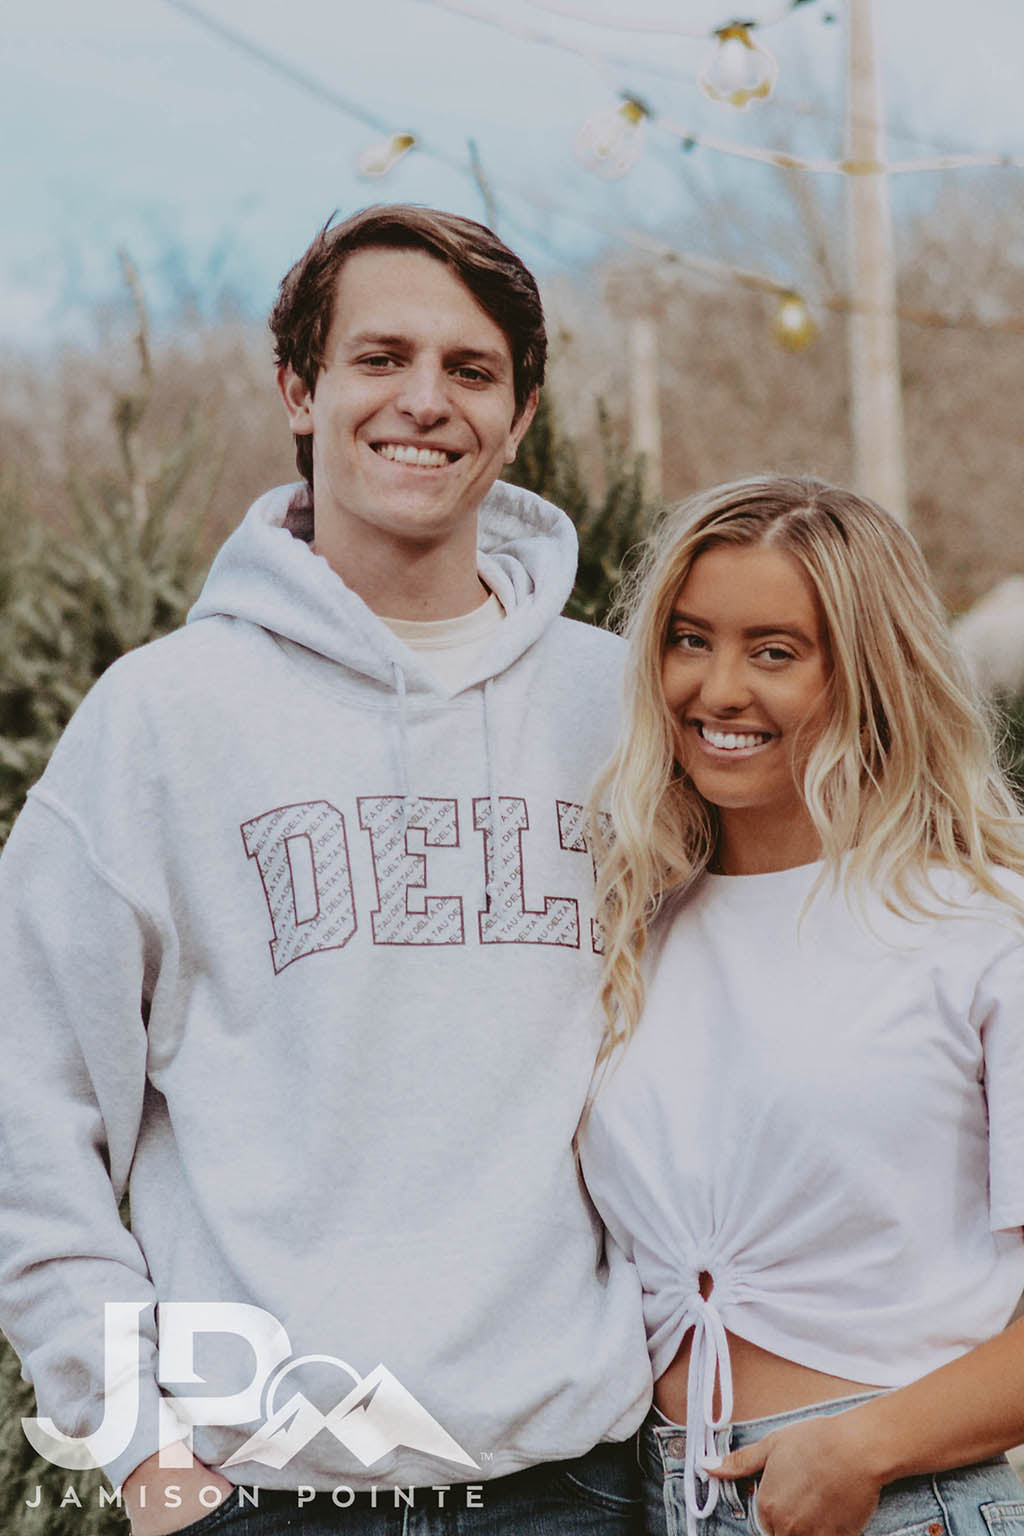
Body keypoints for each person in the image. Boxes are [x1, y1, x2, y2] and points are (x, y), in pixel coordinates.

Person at [0, 206, 651, 1536]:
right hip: (262, 1499)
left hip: (570, 1491)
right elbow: (29, 1107)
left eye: (471, 371)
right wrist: (148, 1459)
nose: (425, 401)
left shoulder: (620, 708)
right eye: (380, 358)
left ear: (520, 417)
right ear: (299, 388)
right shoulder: (163, 720)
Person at [578, 475, 1024, 1536]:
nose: (718, 689)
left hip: (888, 1498)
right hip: (649, 1492)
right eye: (690, 639)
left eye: (773, 652)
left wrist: (863, 1448)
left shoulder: (977, 930)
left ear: (866, 672)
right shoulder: (633, 924)